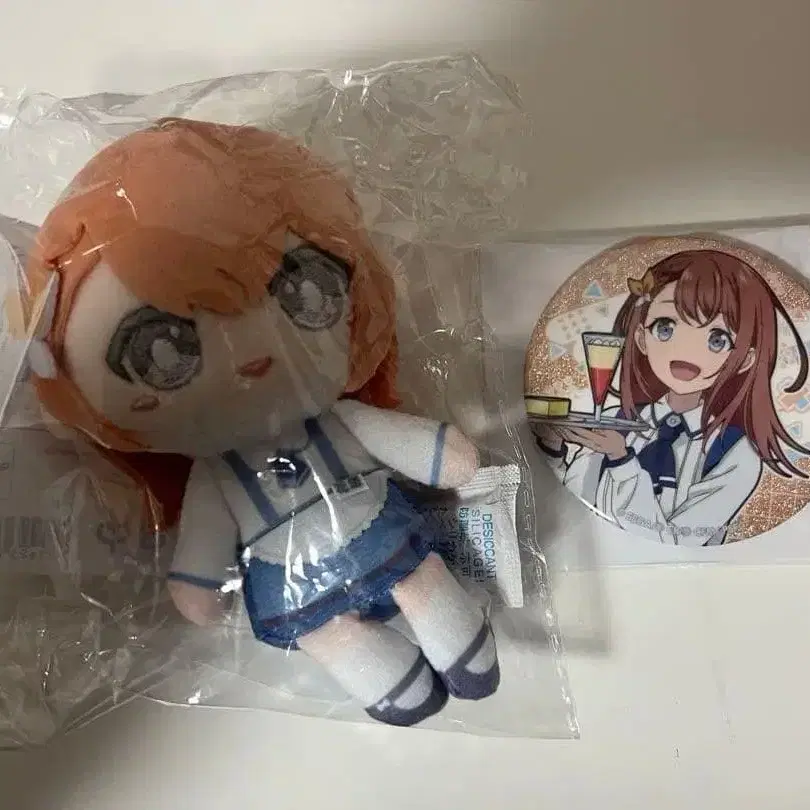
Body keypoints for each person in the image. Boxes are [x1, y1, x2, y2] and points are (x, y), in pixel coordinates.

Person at [537, 249, 809, 545]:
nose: (687, 350)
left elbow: (678, 541)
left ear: (745, 360)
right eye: (665, 328)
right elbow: (578, 502)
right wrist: (553, 449)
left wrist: (621, 460)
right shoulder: (618, 421)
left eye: (717, 339)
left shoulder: (735, 452)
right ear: (641, 338)